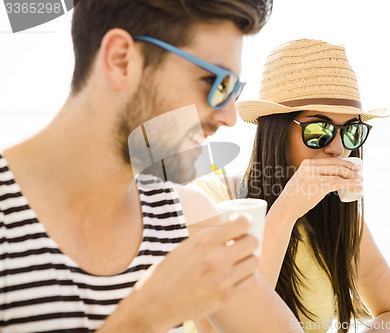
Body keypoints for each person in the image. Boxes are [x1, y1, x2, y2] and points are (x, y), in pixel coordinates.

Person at [0, 1, 307, 332]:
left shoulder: (185, 217)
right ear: (121, 60)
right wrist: (142, 319)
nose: (230, 117)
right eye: (216, 83)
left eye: (234, 90)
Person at [184, 39, 390, 333]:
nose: (338, 148)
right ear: (275, 130)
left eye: (351, 132)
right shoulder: (207, 200)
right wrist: (285, 212)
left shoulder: (339, 216)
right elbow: (229, 327)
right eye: (319, 129)